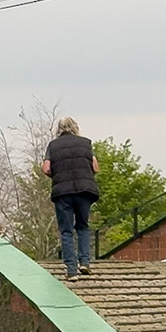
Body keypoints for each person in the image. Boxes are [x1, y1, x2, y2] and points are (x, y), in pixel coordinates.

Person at [40, 116, 101, 280]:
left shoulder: (53, 146)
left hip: (63, 192)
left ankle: (71, 271)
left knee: (66, 230)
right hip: (84, 190)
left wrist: (58, 175)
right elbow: (95, 167)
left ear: (59, 129)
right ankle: (85, 263)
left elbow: (46, 168)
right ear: (75, 127)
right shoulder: (86, 143)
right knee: (82, 226)